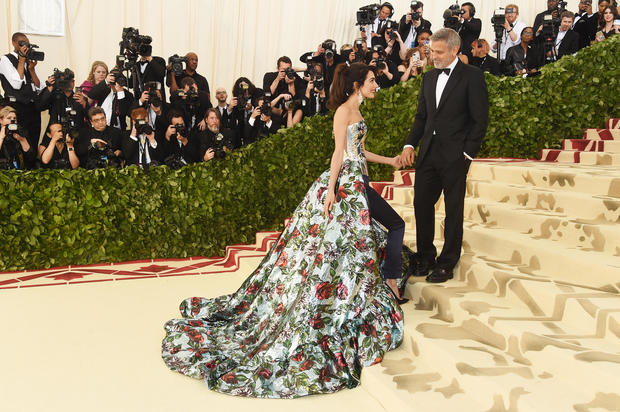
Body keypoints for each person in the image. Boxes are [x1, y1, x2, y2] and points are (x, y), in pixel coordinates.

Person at [161, 62, 405, 398]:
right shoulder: (343, 113)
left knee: (374, 234)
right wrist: (331, 190)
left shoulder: (357, 110)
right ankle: (389, 282)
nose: (377, 84)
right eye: (373, 80)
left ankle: (386, 280)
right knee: (378, 232)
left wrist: (390, 162)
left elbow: (357, 152)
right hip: (348, 185)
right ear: (356, 85)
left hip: (358, 181)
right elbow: (338, 153)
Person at [400, 28, 489, 283]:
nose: (434, 56)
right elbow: (422, 117)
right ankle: (426, 256)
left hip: (455, 155)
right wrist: (409, 144)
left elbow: (479, 119)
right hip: (428, 153)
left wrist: (467, 153)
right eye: (432, 52)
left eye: (439, 52)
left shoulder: (472, 76)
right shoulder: (428, 78)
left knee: (453, 209)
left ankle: (447, 262)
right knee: (421, 205)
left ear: (453, 50)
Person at [0, 32, 44, 150]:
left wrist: (31, 69)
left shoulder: (27, 62)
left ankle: (32, 163)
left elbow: (39, 87)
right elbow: (16, 84)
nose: (25, 47)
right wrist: (21, 60)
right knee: (18, 139)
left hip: (33, 107)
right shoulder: (5, 59)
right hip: (17, 107)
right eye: (22, 43)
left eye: (27, 44)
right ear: (14, 43)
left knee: (34, 138)